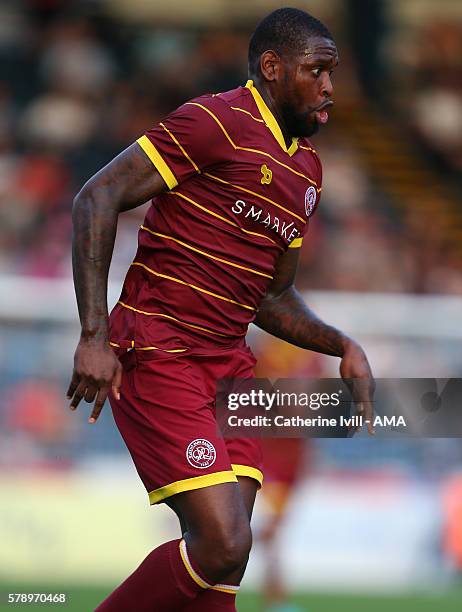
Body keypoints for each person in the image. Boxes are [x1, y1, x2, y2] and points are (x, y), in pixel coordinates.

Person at [67, 8, 374, 611]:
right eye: (317, 70)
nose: (330, 86)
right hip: (161, 348)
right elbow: (97, 195)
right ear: (272, 67)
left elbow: (272, 295)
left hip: (231, 370)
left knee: (225, 566)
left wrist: (342, 344)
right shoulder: (215, 120)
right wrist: (93, 335)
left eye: (333, 73)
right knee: (221, 542)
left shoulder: (307, 172)